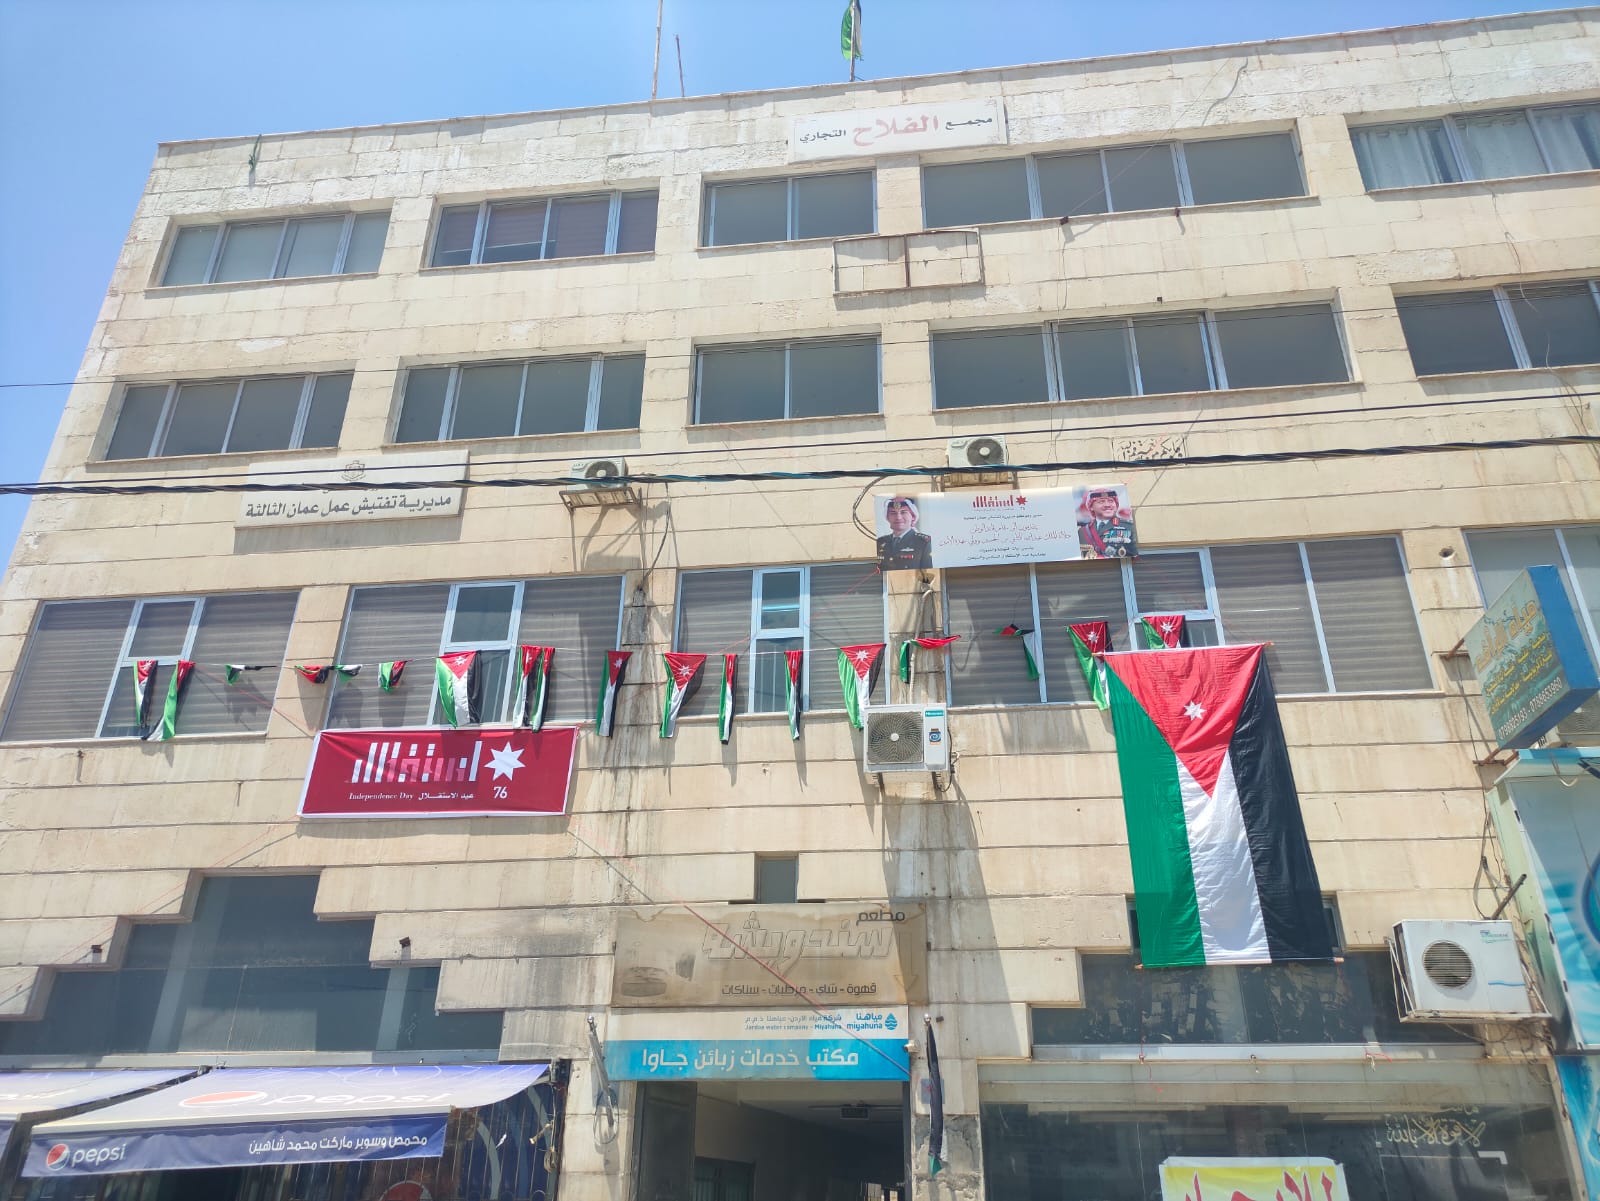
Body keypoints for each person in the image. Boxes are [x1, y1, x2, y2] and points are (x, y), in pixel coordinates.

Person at [877, 495, 933, 571]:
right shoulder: (880, 541)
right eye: (893, 513)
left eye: (903, 512)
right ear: (888, 517)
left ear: (913, 516)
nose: (898, 517)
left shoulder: (924, 542)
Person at [1078, 487, 1137, 559]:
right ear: (1091, 507)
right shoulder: (1082, 531)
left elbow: (1132, 554)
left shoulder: (1128, 527)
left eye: (1111, 501)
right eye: (1101, 502)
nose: (1107, 505)